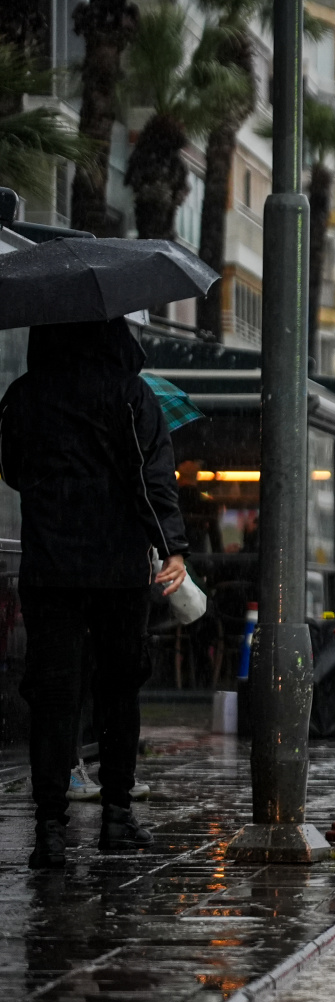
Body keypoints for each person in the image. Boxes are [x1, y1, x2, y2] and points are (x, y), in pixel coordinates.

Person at [0, 317, 188, 870]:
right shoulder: (131, 395)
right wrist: (171, 546)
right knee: (118, 689)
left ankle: (50, 830)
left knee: (53, 695)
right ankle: (115, 818)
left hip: (49, 567)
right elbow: (152, 478)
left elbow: (12, 470)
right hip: (116, 568)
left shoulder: (25, 395)